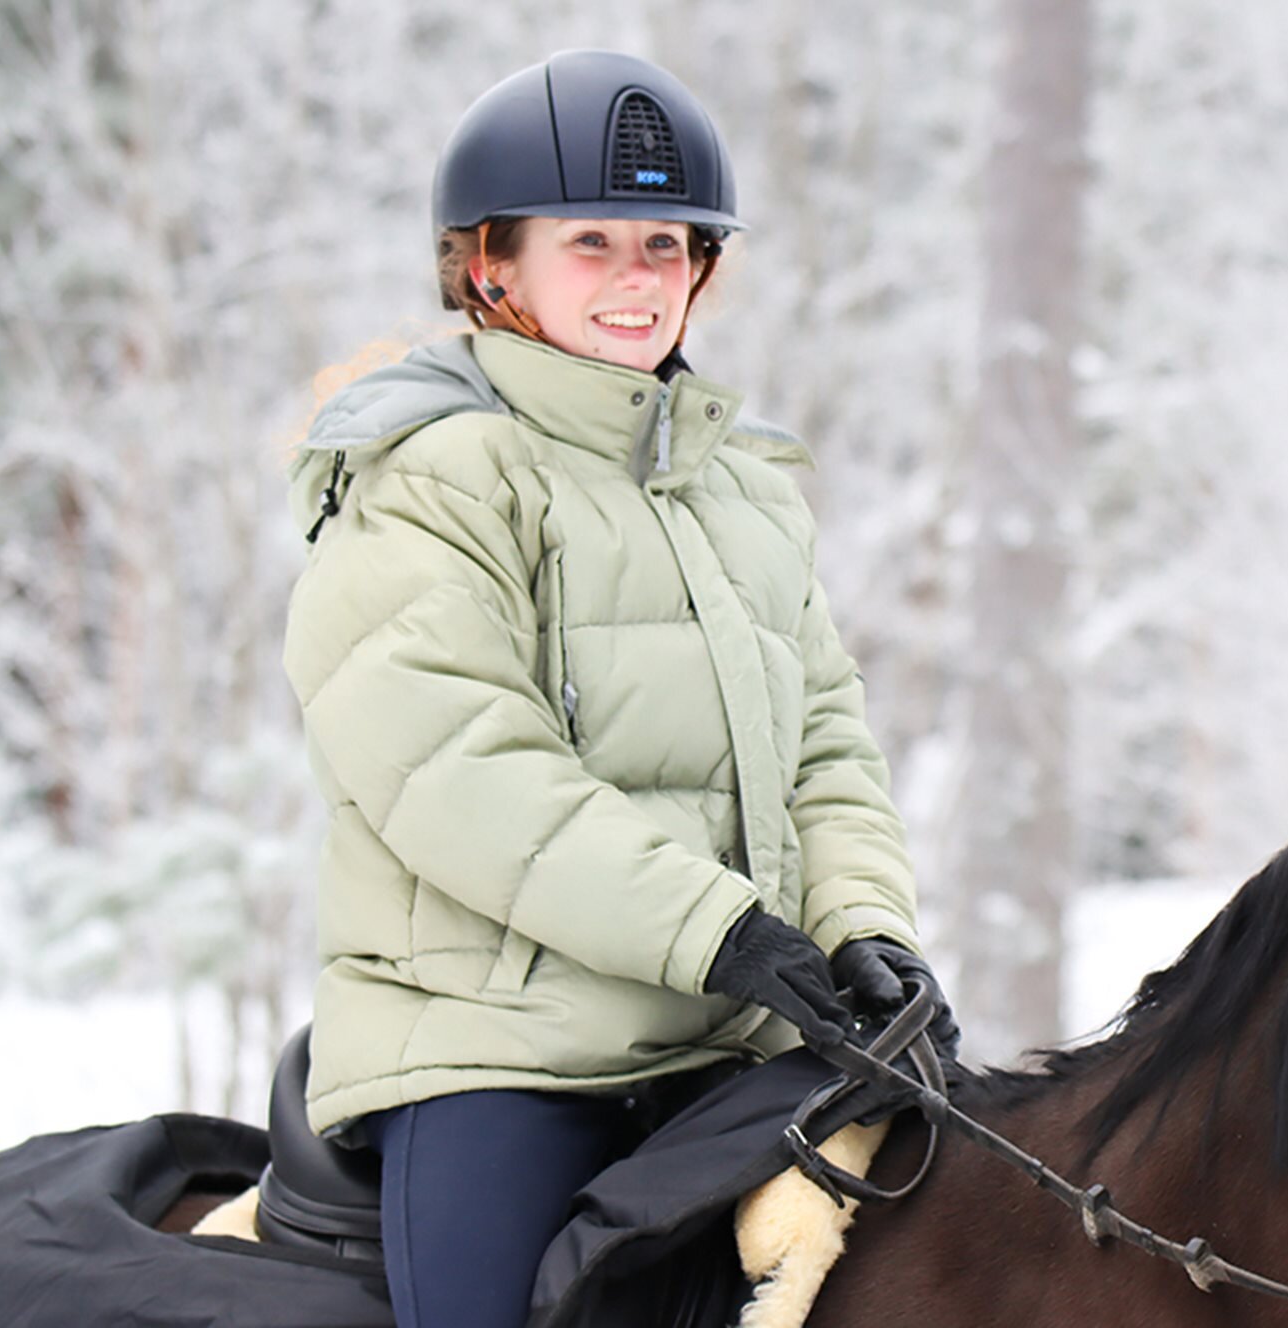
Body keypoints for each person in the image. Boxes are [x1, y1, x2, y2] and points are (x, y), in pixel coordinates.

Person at [281, 50, 957, 1328]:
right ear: (492, 264)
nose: (638, 278)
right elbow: (461, 769)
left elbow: (825, 745)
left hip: (736, 1037)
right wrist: (722, 929)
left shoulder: (744, 489)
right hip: (497, 1047)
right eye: (589, 242)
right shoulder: (427, 479)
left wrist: (862, 921)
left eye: (665, 243)